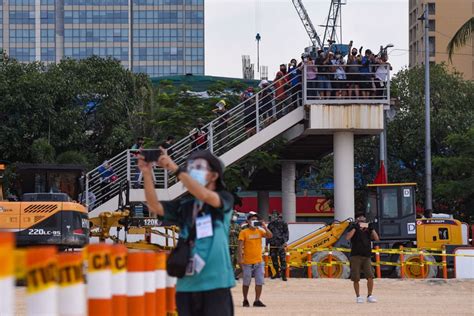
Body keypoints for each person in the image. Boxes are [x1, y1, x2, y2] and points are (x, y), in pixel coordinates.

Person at [138, 149, 235, 316]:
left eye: (199, 167)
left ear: (214, 176)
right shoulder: (186, 205)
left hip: (216, 284)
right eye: (190, 167)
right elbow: (154, 206)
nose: (192, 170)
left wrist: (175, 169)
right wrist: (146, 173)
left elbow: (204, 195)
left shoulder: (225, 198)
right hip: (186, 286)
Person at [238, 213, 273, 307]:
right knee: (246, 282)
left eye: (255, 220)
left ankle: (257, 300)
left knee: (259, 282)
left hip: (259, 261)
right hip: (247, 262)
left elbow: (270, 236)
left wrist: (265, 227)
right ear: (248, 221)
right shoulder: (244, 232)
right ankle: (245, 300)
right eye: (252, 219)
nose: (254, 221)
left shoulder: (260, 231)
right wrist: (240, 259)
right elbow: (240, 246)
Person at [345, 212, 380, 304]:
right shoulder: (353, 227)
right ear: (357, 220)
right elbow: (348, 237)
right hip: (355, 256)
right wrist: (355, 228)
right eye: (360, 218)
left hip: (367, 256)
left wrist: (372, 229)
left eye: (363, 218)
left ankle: (370, 295)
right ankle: (358, 296)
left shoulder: (368, 229)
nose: (362, 219)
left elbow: (376, 238)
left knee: (370, 276)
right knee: (356, 277)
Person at [267, 212, 289, 281]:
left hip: (281, 244)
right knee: (274, 259)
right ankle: (277, 273)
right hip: (273, 244)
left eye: (274, 216)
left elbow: (286, 233)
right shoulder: (270, 224)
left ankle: (284, 275)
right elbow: (267, 234)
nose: (273, 217)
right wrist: (266, 244)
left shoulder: (283, 223)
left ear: (278, 216)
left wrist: (285, 241)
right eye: (272, 216)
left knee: (283, 259)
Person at [229, 210, 242, 279]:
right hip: (229, 245)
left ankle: (233, 274)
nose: (234, 217)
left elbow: (241, 234)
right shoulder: (226, 224)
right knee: (229, 260)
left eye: (236, 216)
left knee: (235, 260)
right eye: (234, 215)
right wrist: (229, 232)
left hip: (236, 245)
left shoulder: (237, 225)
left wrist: (235, 232)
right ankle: (229, 274)